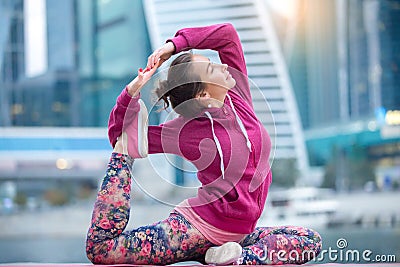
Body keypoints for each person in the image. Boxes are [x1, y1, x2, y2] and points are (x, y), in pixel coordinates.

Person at [86, 23, 322, 265]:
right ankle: (231, 259)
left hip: (237, 238)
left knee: (308, 240)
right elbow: (122, 137)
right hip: (194, 230)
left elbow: (227, 35)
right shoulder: (185, 130)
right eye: (211, 68)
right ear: (203, 95)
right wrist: (131, 93)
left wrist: (173, 46)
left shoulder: (238, 98)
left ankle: (232, 259)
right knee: (102, 251)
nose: (222, 65)